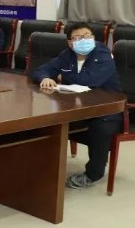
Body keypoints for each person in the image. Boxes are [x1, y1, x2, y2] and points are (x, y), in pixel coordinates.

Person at [32, 21, 122, 189]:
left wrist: (63, 77)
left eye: (87, 36)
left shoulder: (102, 54)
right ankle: (46, 166)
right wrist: (45, 77)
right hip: (77, 108)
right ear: (70, 43)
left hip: (107, 110)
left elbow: (90, 81)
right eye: (78, 38)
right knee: (49, 122)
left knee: (100, 128)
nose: (84, 40)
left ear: (93, 38)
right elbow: (41, 70)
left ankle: (93, 174)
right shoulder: (67, 55)